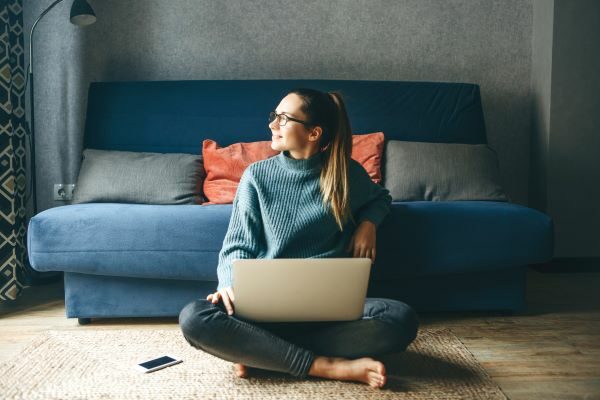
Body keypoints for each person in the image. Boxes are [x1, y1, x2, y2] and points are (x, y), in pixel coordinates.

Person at [179, 88, 419, 389]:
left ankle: (264, 353)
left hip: (328, 313)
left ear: (314, 132)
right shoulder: (257, 176)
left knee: (399, 319)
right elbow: (237, 243)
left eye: (283, 118)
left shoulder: (346, 175)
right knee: (194, 318)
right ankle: (324, 365)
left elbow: (381, 198)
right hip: (262, 312)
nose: (272, 125)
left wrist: (368, 223)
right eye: (274, 117)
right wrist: (228, 284)